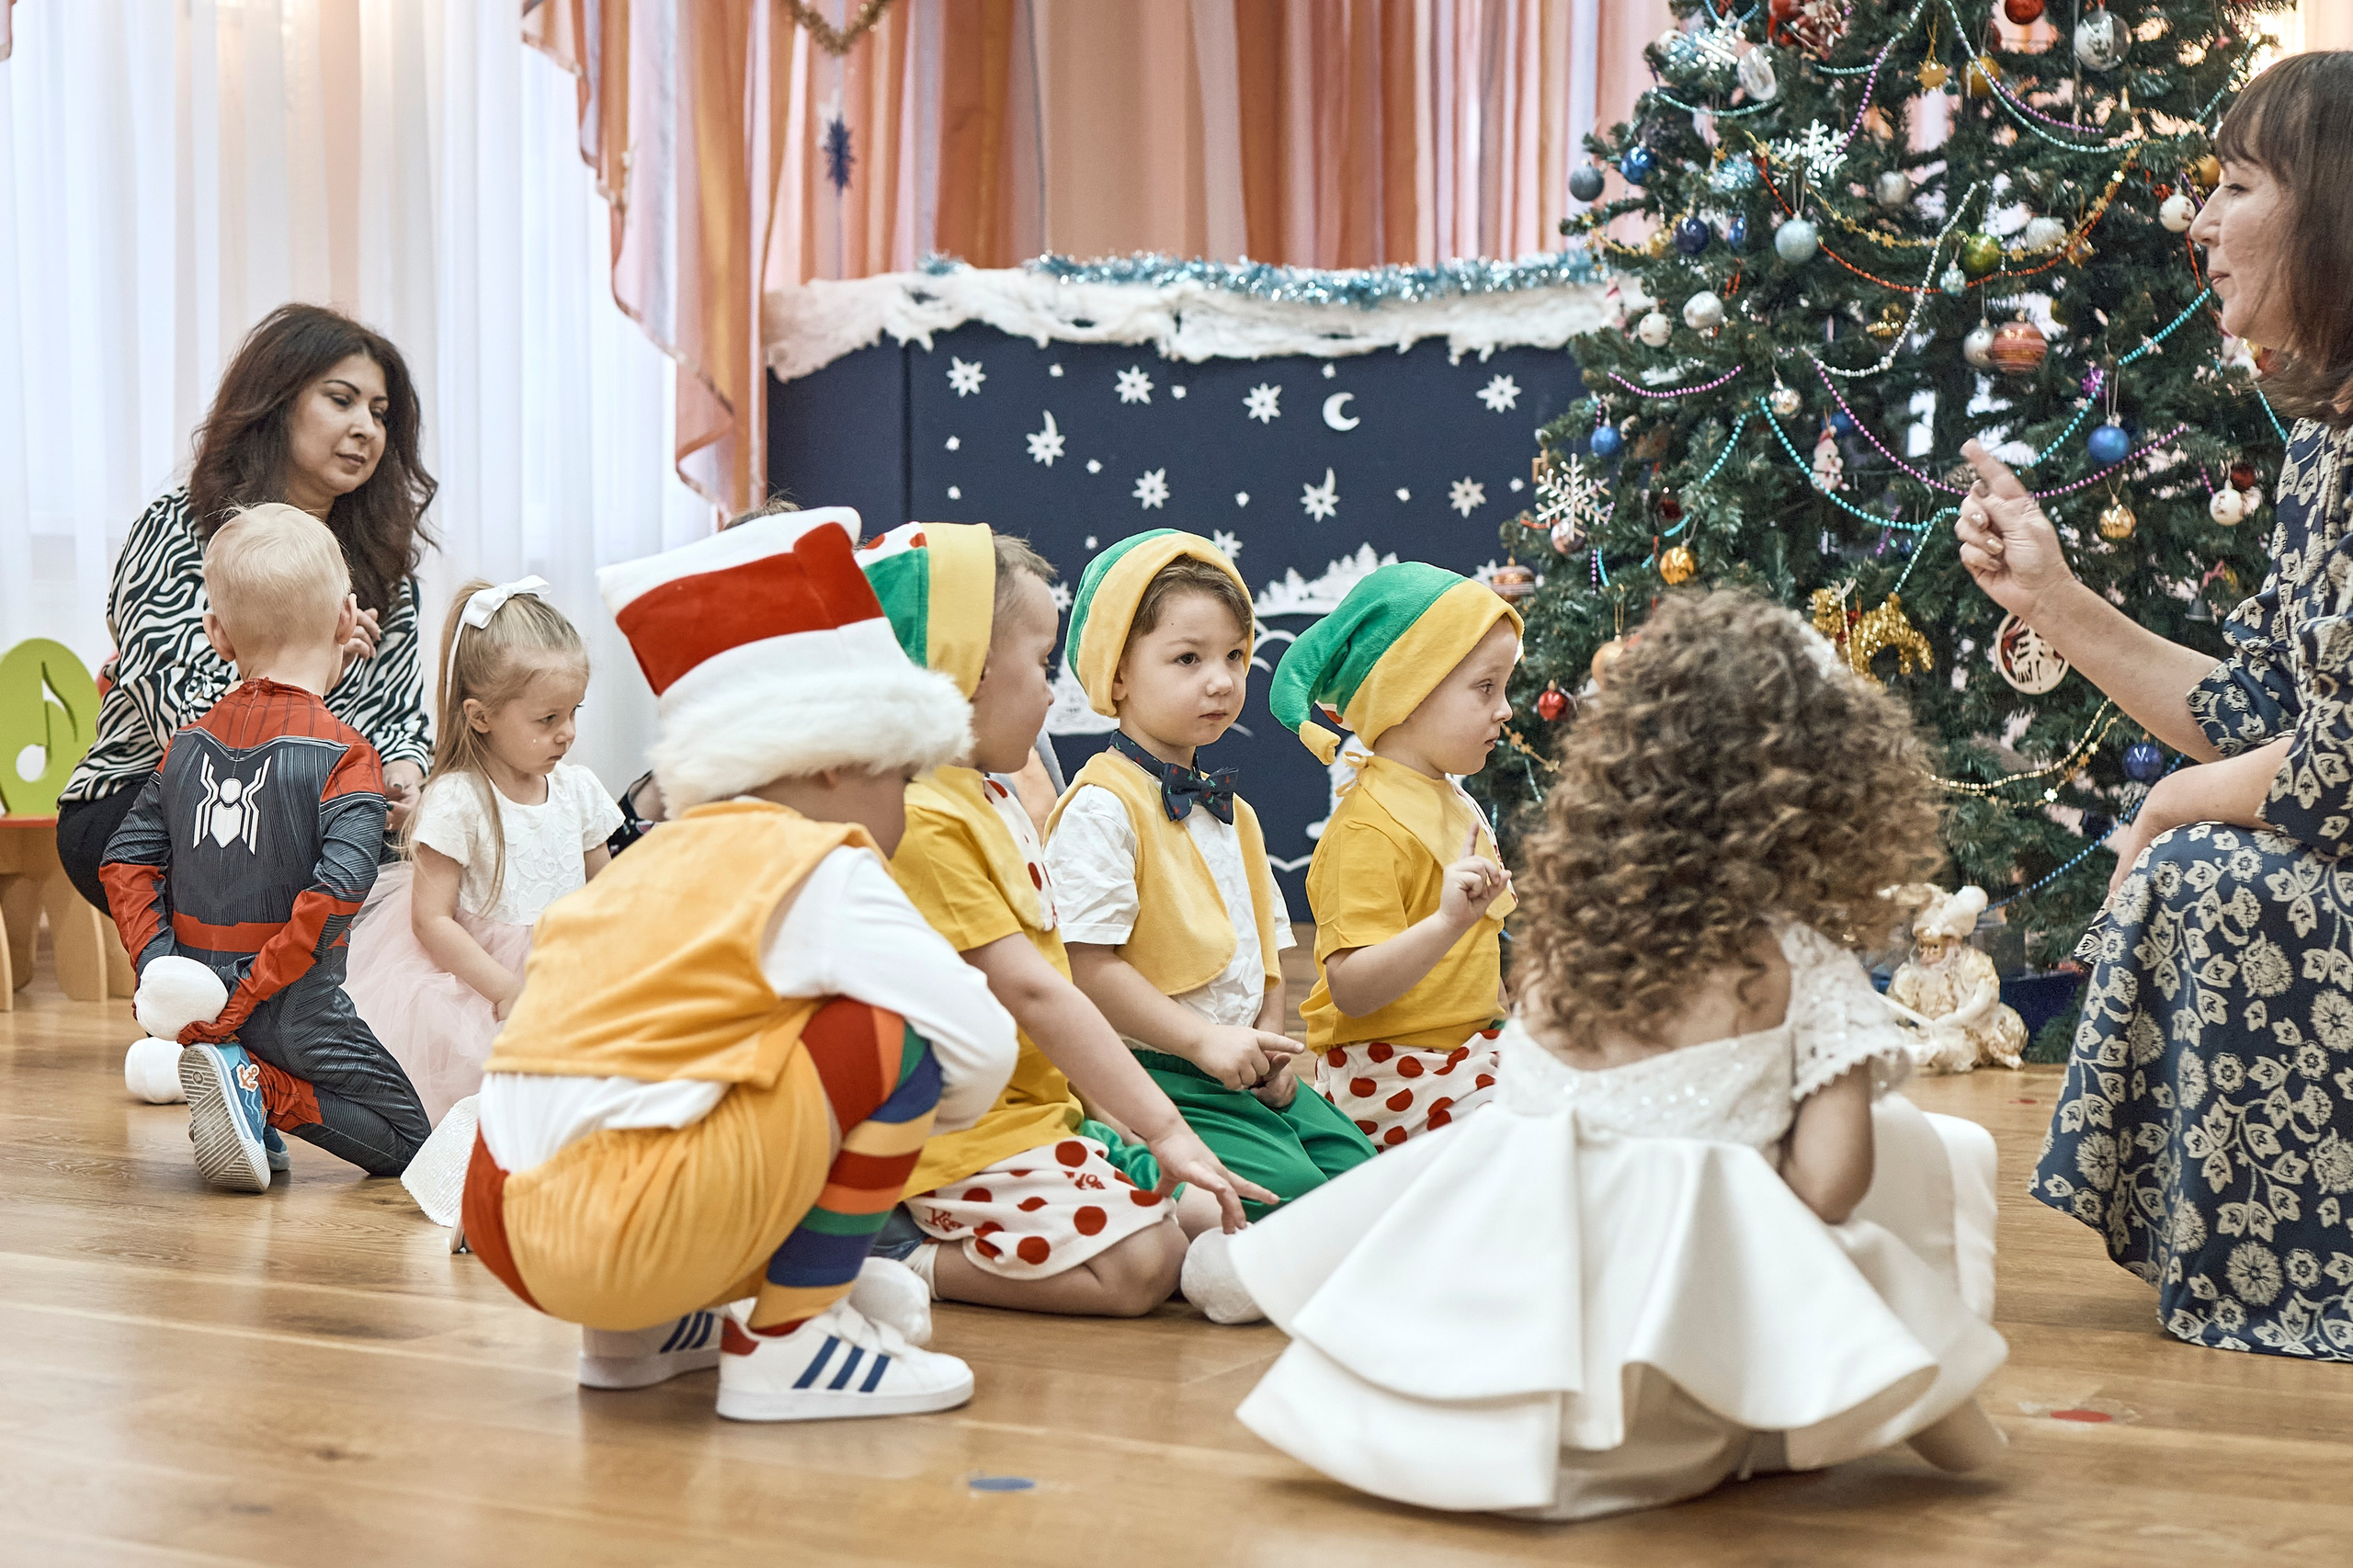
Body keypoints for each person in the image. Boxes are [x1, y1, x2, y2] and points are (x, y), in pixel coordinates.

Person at [1226, 590, 2008, 1520]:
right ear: (1825, 796)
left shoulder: (1569, 935)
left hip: (1497, 1344)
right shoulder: (1798, 963)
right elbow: (1829, 1186)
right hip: (1664, 1383)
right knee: (1896, 1179)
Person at [1954, 51, 2353, 1360]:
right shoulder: (2325, 449)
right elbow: (2259, 711)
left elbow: (2334, 760)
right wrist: (2054, 599)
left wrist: (2173, 803)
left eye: (2236, 186)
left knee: (2205, 872)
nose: (2198, 222)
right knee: (2199, 857)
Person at [460, 508, 1018, 1423]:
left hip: (501, 1214)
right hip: (621, 1229)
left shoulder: (652, 860)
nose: (906, 816)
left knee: (716, 1057)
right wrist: (847, 1154)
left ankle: (639, 1333)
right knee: (884, 1042)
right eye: (904, 781)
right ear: (835, 763)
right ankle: (788, 1345)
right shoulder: (818, 863)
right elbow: (983, 1044)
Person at [857, 521, 1276, 1320]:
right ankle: (902, 1256)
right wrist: (1165, 1130)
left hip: (1042, 1111)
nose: (1054, 694)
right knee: (1142, 1268)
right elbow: (1041, 995)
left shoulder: (996, 798)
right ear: (965, 676)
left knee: (1209, 1214)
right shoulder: (926, 820)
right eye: (1041, 666)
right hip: (962, 1137)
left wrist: (1131, 1128)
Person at [1044, 530, 1374, 1252]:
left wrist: (1267, 1052)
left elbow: (1266, 952)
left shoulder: (1235, 814)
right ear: (1119, 675)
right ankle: (1128, 1165)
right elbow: (1085, 968)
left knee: (1369, 1183)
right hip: (1158, 1070)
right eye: (1188, 659)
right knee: (1299, 1218)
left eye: (1234, 656)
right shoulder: (1103, 806)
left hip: (1235, 1068)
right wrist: (1202, 1041)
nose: (1221, 680)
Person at [57, 304, 437, 910]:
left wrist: (405, 777)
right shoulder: (181, 529)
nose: (366, 426)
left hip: (324, 813)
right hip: (151, 801)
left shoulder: (383, 569)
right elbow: (185, 714)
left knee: (449, 856)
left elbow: (399, 720)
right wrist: (321, 661)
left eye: (380, 412)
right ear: (278, 402)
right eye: (342, 400)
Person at [100, 505, 432, 1192]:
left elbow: (123, 860)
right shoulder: (347, 756)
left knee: (251, 1039)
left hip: (203, 998)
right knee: (409, 1141)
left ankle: (239, 1089)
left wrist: (165, 971)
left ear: (217, 636)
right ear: (347, 620)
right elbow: (336, 891)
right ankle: (259, 1089)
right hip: (290, 1005)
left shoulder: (183, 749)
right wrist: (249, 996)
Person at [342, 577, 620, 1127]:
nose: (566, 734)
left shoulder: (579, 789)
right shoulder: (458, 800)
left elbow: (608, 894)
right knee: (486, 1099)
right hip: (475, 979)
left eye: (573, 713)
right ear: (480, 716)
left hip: (564, 965)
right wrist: (507, 990)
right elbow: (431, 921)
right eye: (547, 719)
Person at [1267, 562, 1522, 1148]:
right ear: (1406, 694)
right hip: (1392, 1073)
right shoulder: (1367, 831)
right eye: (1486, 687)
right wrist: (1447, 923)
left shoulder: (1452, 802)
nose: (1505, 708)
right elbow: (1353, 990)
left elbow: (1482, 971)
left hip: (1466, 1055)